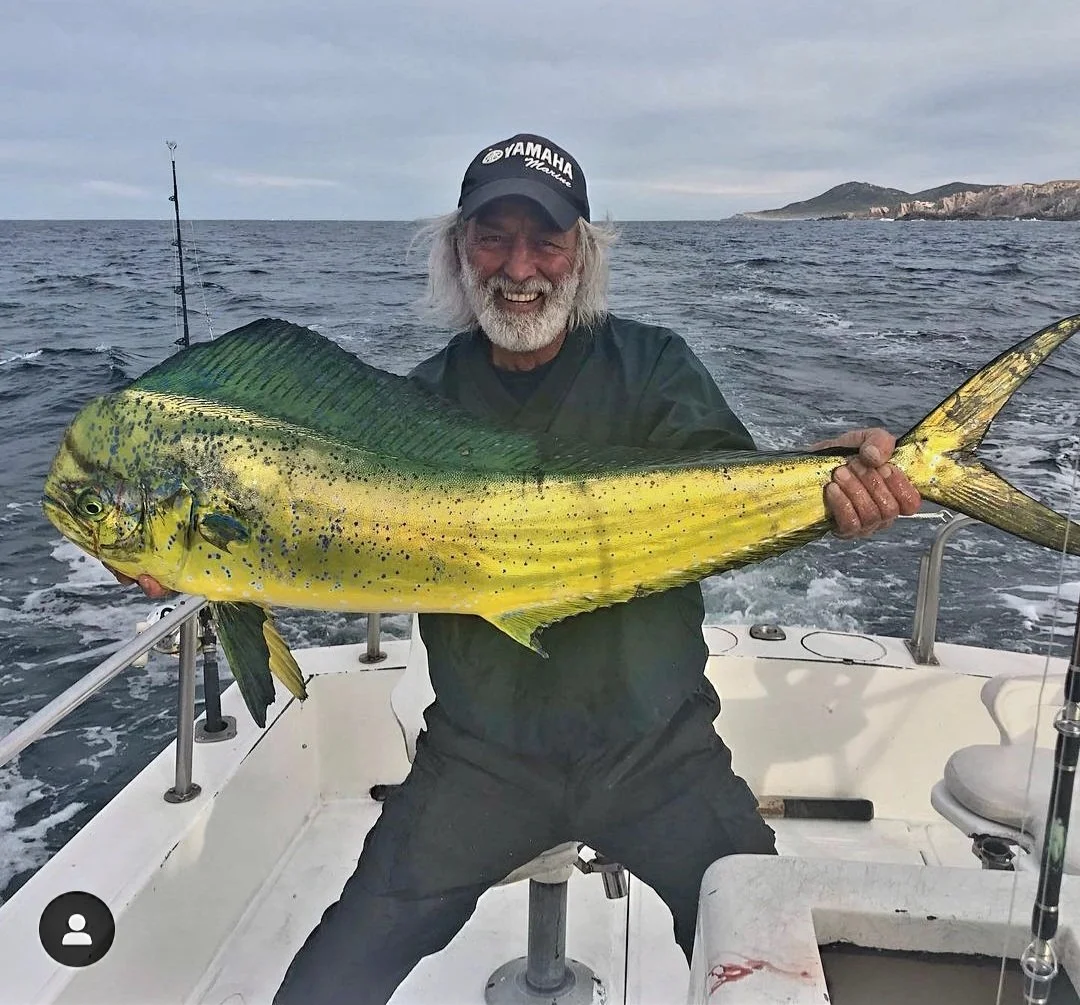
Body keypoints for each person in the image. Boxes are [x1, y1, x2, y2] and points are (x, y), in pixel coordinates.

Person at [118, 133, 922, 1003]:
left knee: (778, 967)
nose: (520, 266)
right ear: (458, 253)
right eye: (492, 237)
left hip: (658, 748)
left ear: (583, 251)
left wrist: (826, 489)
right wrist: (189, 551)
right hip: (482, 757)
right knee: (323, 985)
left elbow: (727, 495)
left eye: (546, 239)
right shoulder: (412, 406)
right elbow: (321, 537)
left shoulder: (654, 367)